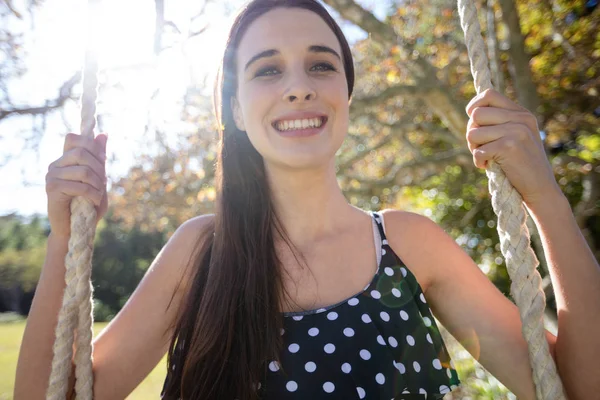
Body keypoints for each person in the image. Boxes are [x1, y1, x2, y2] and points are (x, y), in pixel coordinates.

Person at [14, 0, 600, 399]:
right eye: (267, 71)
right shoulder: (203, 253)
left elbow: (579, 387)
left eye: (321, 65)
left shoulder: (409, 245)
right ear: (237, 112)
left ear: (345, 92)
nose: (298, 85)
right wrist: (64, 239)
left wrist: (543, 195)